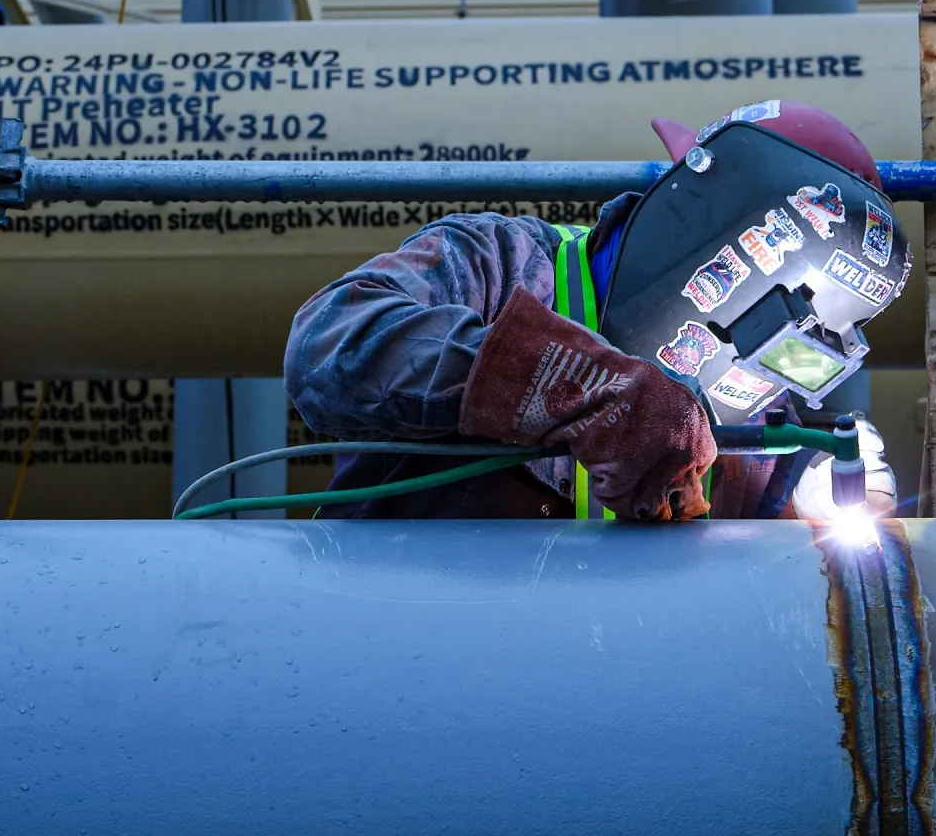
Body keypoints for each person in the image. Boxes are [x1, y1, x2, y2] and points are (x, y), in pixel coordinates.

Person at [285, 100, 900, 523]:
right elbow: (330, 343)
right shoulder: (505, 262)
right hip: (385, 635)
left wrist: (827, 494)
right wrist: (575, 388)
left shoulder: (758, 429)